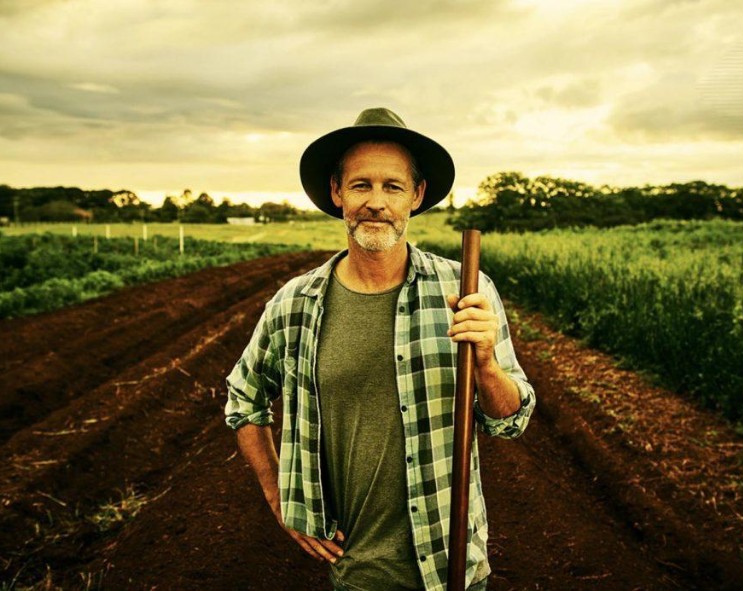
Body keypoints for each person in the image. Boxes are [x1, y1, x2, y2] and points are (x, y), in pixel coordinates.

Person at [224, 107, 536, 591]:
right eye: (360, 185)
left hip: (454, 567)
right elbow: (244, 398)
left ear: (416, 195)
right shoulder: (294, 304)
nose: (376, 202)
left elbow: (510, 421)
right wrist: (278, 494)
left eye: (392, 186)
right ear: (337, 193)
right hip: (357, 574)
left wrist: (487, 365)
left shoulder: (467, 289)